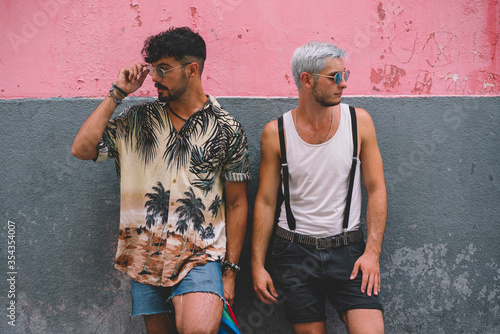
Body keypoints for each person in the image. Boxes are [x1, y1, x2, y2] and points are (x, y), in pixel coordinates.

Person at [72, 27, 250, 334]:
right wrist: (117, 92)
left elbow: (236, 202)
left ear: (192, 69)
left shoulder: (227, 129)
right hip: (144, 254)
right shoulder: (135, 120)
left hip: (200, 255)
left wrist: (231, 272)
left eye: (164, 69)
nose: (154, 78)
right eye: (154, 69)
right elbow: (82, 149)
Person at [251, 41, 387, 334]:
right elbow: (264, 201)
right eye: (335, 76)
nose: (344, 83)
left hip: (348, 250)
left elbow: (376, 189)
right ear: (307, 79)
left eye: (345, 73)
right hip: (293, 252)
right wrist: (257, 265)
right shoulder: (276, 133)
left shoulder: (358, 122)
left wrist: (372, 252)